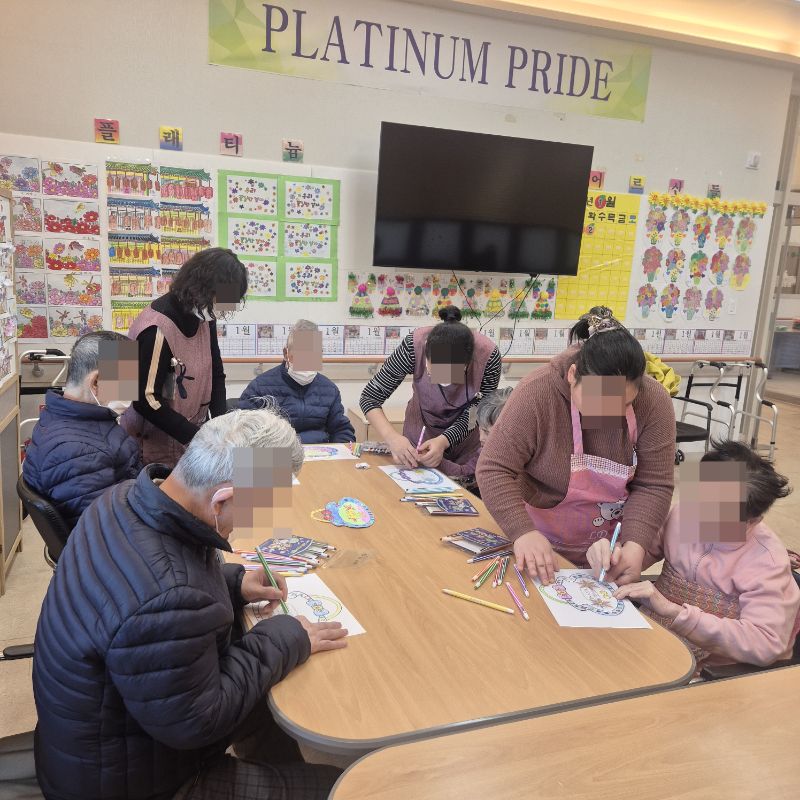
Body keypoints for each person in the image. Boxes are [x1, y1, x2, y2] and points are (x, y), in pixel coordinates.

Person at [32, 409, 348, 800]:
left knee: (269, 706)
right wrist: (285, 636)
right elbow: (199, 721)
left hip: (98, 740)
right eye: (261, 506)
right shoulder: (168, 600)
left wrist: (235, 583)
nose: (258, 520)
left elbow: (161, 577)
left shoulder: (123, 498)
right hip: (130, 784)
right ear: (223, 500)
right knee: (339, 786)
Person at [476, 306, 675, 586]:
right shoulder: (537, 393)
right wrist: (522, 532)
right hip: (539, 543)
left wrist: (634, 544)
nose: (607, 414)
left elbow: (654, 484)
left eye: (623, 404)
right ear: (572, 375)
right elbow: (493, 468)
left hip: (609, 549)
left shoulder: (653, 401)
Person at [590, 440, 800, 671]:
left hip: (710, 667)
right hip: (652, 636)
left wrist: (675, 612)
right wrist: (615, 556)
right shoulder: (684, 512)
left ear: (753, 520)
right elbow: (642, 554)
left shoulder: (767, 562)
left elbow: (766, 644)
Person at [120, 247, 247, 468]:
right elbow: (144, 400)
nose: (227, 307)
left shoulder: (204, 316)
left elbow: (216, 375)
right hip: (150, 444)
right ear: (202, 288)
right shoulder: (155, 327)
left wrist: (222, 428)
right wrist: (197, 437)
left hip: (187, 439)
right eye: (224, 298)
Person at [359, 307, 501, 477]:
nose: (444, 381)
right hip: (420, 432)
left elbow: (478, 412)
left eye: (453, 375)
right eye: (434, 372)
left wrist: (444, 440)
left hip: (465, 439)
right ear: (426, 354)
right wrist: (392, 438)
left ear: (467, 364)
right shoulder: (414, 346)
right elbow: (369, 398)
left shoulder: (488, 356)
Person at [22, 331, 141, 532]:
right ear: (96, 382)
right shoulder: (79, 452)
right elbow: (105, 533)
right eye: (126, 382)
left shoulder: (62, 416)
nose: (130, 393)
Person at [238, 319, 355, 444]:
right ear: (286, 354)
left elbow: (342, 430)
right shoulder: (260, 387)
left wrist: (339, 451)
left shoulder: (329, 390)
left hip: (319, 452)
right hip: (277, 453)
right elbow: (241, 434)